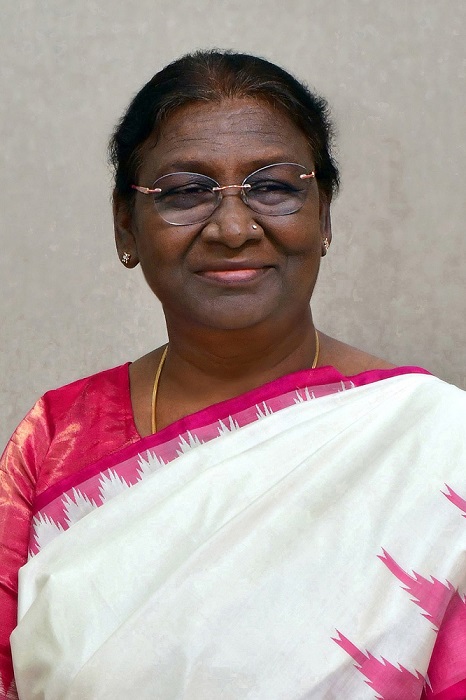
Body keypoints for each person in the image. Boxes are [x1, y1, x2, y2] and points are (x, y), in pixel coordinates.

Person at [0, 50, 465, 700]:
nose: (233, 228)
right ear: (125, 226)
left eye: (273, 187)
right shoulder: (55, 439)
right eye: (184, 192)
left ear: (324, 215)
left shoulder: (437, 444)